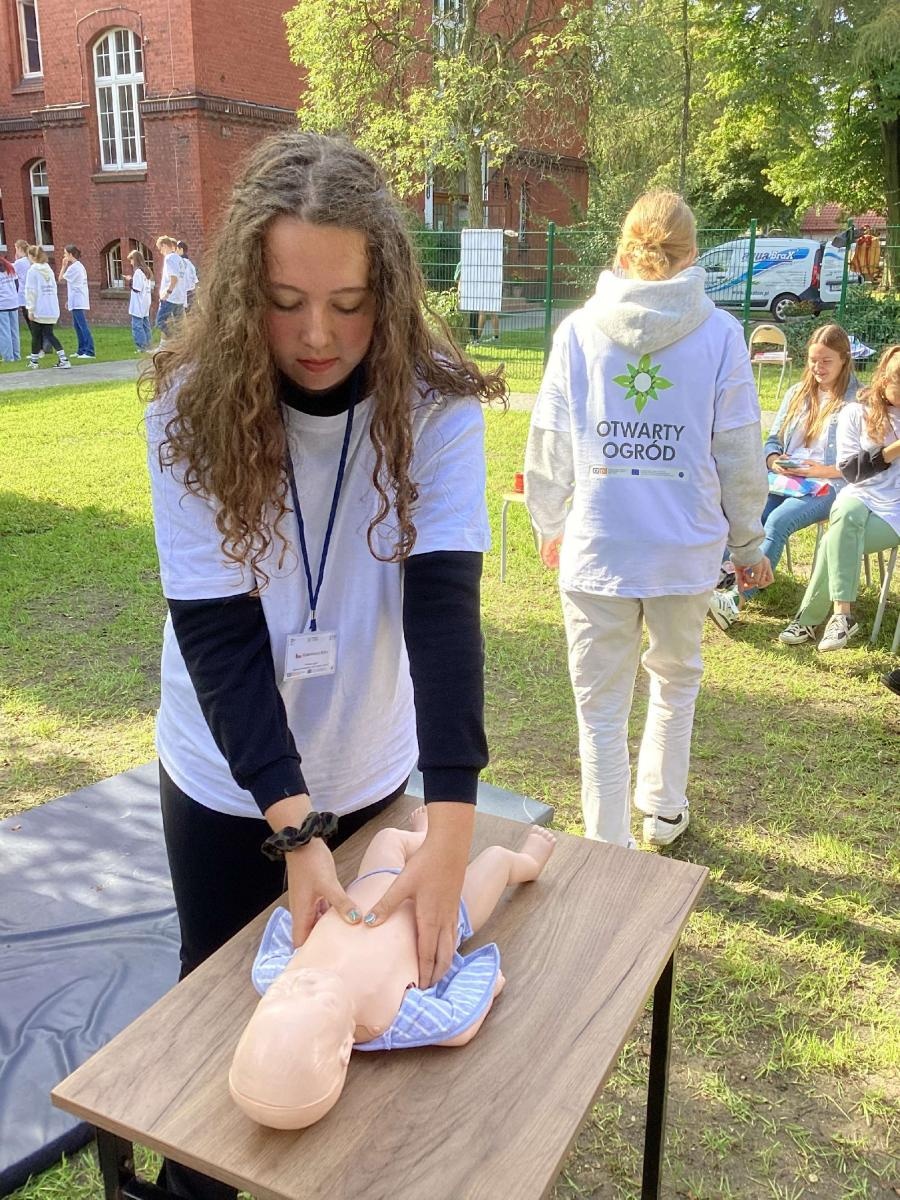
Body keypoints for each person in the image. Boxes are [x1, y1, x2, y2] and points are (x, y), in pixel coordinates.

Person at [143, 129, 504, 1199]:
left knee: (365, 1042)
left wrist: (450, 828)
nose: (316, 334)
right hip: (224, 778)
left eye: (348, 304)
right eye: (284, 301)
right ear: (240, 290)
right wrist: (294, 832)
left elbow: (444, 610)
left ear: (386, 288)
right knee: (217, 1029)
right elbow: (217, 634)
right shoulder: (188, 405)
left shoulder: (435, 403)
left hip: (369, 763)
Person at [525, 190, 770, 850]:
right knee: (675, 679)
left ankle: (609, 843)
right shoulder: (719, 335)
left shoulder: (578, 331)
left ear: (625, 247)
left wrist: (549, 522)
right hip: (683, 549)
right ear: (693, 254)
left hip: (598, 544)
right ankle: (662, 808)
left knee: (600, 709)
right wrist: (748, 541)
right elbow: (739, 448)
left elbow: (549, 441)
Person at [229, 806, 556, 1128]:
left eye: (282, 994)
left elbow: (282, 934)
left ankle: (425, 839)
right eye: (319, 999)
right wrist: (485, 987)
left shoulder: (272, 974)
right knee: (496, 861)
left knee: (387, 838)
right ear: (345, 1048)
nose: (305, 984)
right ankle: (528, 862)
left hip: (376, 879)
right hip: (443, 909)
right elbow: (456, 1025)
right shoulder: (388, 1019)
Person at [709, 324, 858, 628]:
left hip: (827, 483)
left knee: (778, 521)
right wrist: (774, 459)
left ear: (844, 359)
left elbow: (861, 461)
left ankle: (736, 600)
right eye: (813, 360)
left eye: (826, 361)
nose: (818, 368)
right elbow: (773, 440)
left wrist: (819, 470)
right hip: (787, 478)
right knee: (745, 514)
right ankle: (715, 578)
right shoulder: (797, 393)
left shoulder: (857, 400)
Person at [780, 344, 900, 651]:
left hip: (895, 509)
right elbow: (850, 471)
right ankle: (842, 617)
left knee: (833, 541)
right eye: (898, 381)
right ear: (884, 379)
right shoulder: (857, 412)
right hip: (859, 492)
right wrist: (894, 449)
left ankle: (808, 620)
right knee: (845, 514)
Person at [24, 246, 70, 370]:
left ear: (32, 256)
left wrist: (30, 308)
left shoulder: (33, 270)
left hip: (39, 308)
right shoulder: (48, 269)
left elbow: (30, 290)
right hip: (50, 307)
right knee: (49, 334)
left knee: (36, 335)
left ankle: (34, 361)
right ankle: (63, 358)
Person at [58, 244, 96, 359]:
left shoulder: (74, 267)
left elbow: (60, 278)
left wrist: (63, 266)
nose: (64, 256)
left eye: (65, 254)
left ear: (70, 254)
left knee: (82, 325)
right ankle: (81, 349)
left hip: (78, 299)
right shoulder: (78, 266)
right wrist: (69, 300)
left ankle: (89, 351)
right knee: (77, 325)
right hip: (75, 298)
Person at [155, 235, 187, 338]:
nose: (161, 252)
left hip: (170, 298)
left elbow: (174, 278)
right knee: (179, 326)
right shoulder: (180, 259)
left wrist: (167, 293)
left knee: (160, 321)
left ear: (164, 245)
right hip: (179, 297)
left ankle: (173, 340)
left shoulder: (169, 259)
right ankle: (180, 343)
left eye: (160, 249)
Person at [126, 247, 154, 352]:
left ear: (135, 259)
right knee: (146, 324)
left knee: (137, 325)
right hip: (146, 300)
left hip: (139, 302)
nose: (131, 263)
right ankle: (149, 345)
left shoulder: (138, 272)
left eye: (131, 260)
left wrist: (130, 280)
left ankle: (142, 347)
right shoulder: (147, 271)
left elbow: (137, 288)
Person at [14, 239, 34, 348]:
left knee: (30, 322)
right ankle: (44, 344)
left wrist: (16, 259)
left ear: (19, 248)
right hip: (33, 293)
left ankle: (39, 346)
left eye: (16, 248)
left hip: (24, 295)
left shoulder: (19, 263)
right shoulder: (30, 260)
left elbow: (11, 272)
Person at [0, 255, 20, 361]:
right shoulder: (10, 267)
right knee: (14, 331)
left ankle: (8, 357)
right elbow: (17, 284)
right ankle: (16, 355)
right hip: (13, 302)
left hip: (2, 304)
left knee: (4, 332)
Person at [176, 239, 198, 308]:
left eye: (176, 249)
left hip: (184, 293)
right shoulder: (190, 264)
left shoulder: (181, 263)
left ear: (181, 249)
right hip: (190, 292)